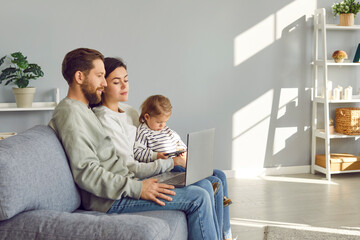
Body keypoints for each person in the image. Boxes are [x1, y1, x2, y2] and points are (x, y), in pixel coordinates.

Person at [48, 48, 229, 240]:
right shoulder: (70, 114)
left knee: (207, 184)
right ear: (79, 77)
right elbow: (87, 172)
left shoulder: (83, 110)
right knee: (198, 197)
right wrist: (139, 188)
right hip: (111, 199)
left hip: (126, 184)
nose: (103, 82)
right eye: (100, 76)